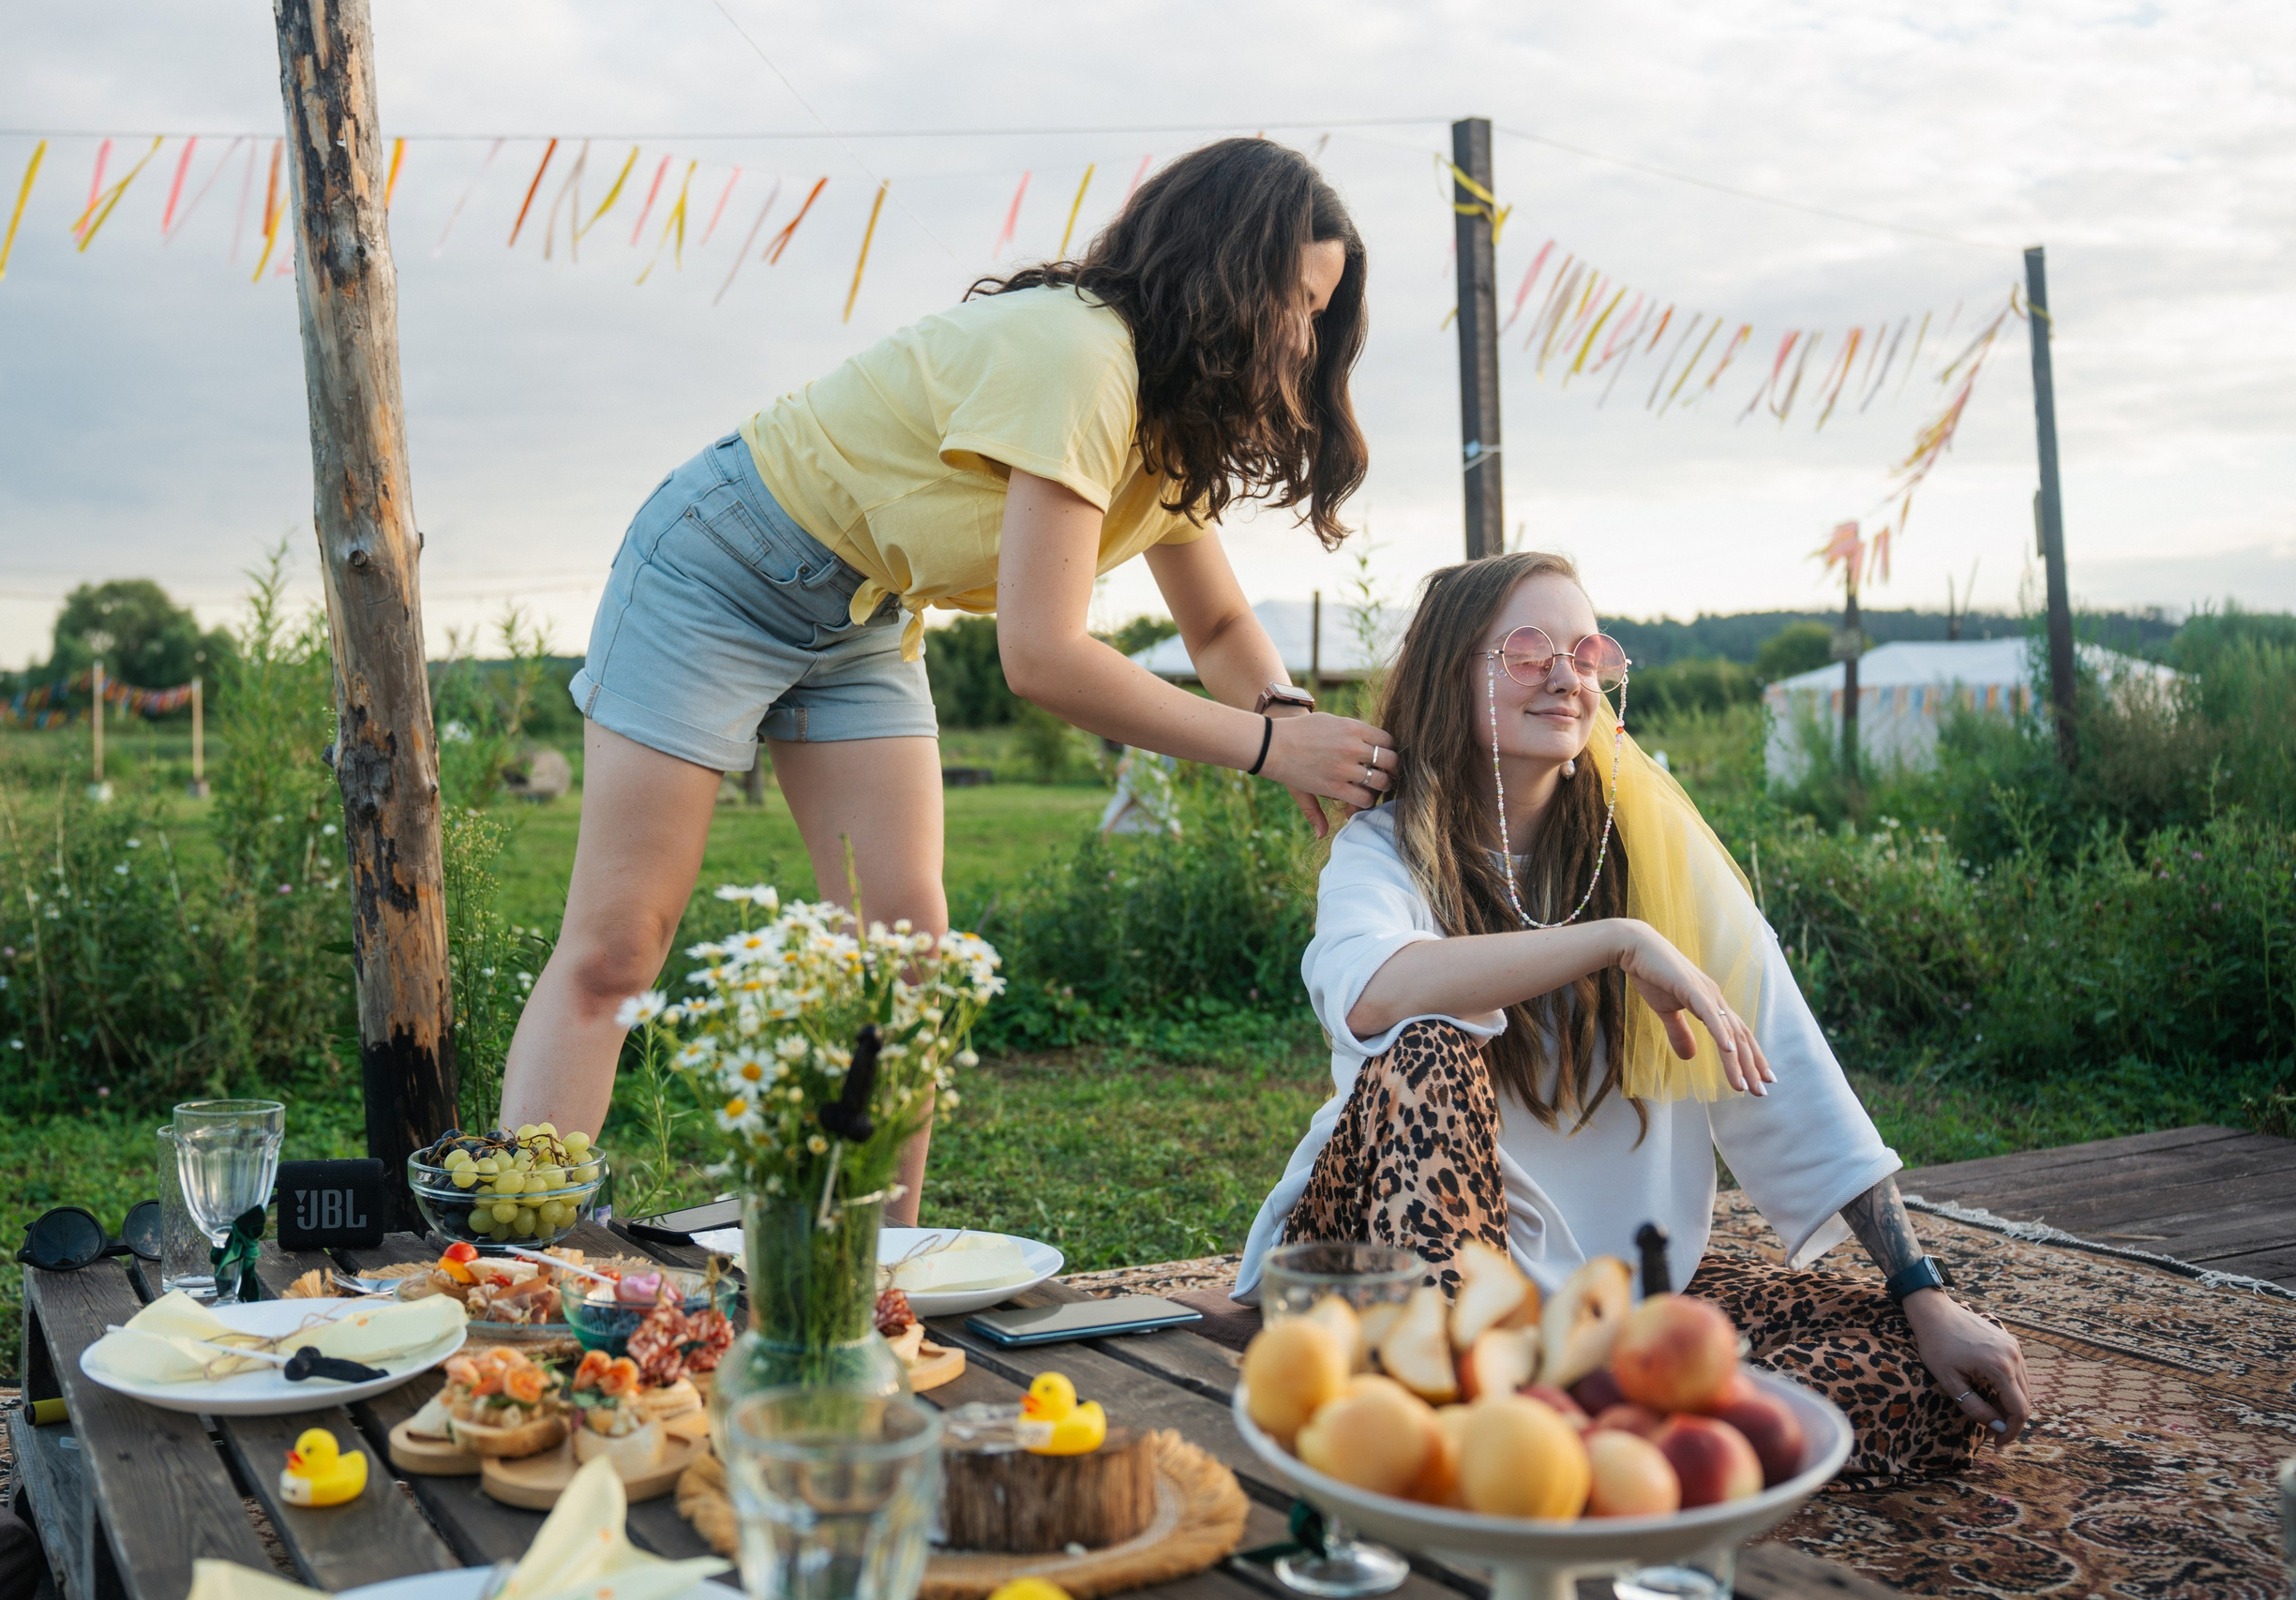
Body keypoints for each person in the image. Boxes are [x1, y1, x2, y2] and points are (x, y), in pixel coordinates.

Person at [502, 140, 1399, 1220]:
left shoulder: (1173, 416)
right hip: (721, 566)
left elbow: (1214, 622)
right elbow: (1043, 657)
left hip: (866, 613)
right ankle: (525, 1255)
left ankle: (864, 1274)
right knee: (616, 946)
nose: (1303, 337)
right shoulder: (1081, 358)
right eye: (1294, 302)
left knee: (904, 959)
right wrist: (1263, 747)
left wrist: (1287, 718)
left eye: (1318, 311)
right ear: (1222, 270)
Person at [1234, 551, 2033, 1482]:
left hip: (1604, 1306)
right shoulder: (1381, 850)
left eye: (1585, 650)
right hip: (1403, 1270)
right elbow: (1371, 989)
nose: (1567, 675)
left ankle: (1545, 1418)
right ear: (1451, 670)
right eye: (1528, 650)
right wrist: (1614, 942)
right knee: (1427, 1048)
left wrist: (1921, 1291)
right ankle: (1473, 1406)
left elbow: (1783, 1066)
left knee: (1917, 1384)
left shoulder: (1654, 852)